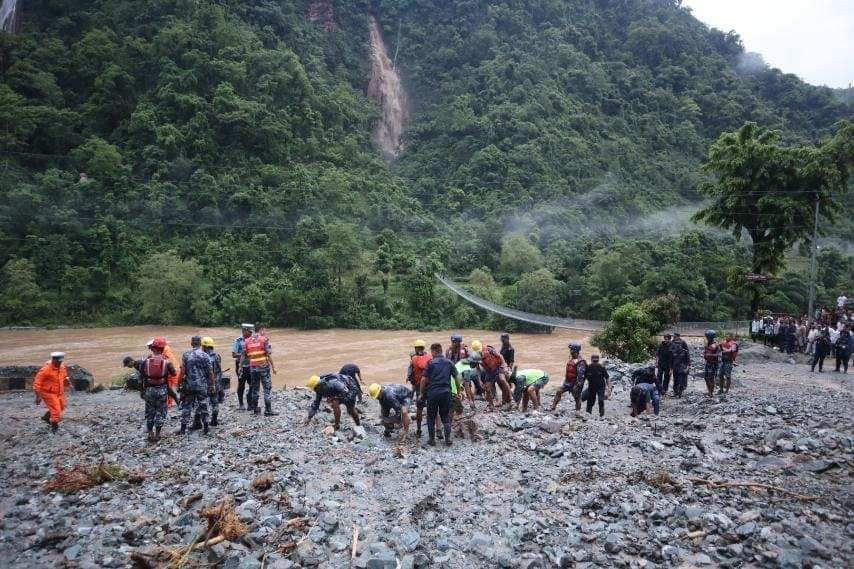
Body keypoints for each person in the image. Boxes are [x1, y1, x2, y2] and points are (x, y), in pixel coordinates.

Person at [123, 339, 179, 442]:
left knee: (150, 412)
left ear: (153, 349)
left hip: (149, 391)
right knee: (161, 412)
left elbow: (140, 379)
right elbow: (174, 374)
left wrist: (142, 392)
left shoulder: (145, 362)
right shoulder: (167, 362)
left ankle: (150, 433)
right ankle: (157, 434)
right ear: (162, 349)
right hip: (162, 391)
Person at [418, 343, 459, 446]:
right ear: (441, 350)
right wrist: (458, 391)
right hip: (446, 393)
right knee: (445, 416)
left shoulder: (430, 363)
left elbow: (423, 379)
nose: (431, 354)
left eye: (432, 352)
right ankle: (448, 439)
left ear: (434, 351)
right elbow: (457, 378)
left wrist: (421, 393)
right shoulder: (449, 362)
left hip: (433, 393)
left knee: (431, 416)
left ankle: (432, 440)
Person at [179, 338, 216, 435]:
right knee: (204, 405)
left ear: (191, 343)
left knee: (186, 407)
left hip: (189, 385)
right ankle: (206, 429)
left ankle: (183, 429)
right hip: (202, 385)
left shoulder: (186, 354)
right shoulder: (205, 355)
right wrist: (212, 385)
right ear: (200, 344)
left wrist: (179, 384)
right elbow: (210, 372)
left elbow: (182, 372)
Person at [33, 352, 73, 433]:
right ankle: (54, 427)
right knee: (56, 411)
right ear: (53, 360)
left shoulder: (62, 367)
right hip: (48, 393)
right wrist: (38, 396)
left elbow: (65, 376)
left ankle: (46, 417)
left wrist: (68, 382)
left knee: (62, 407)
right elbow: (37, 384)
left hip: (59, 391)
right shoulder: (45, 370)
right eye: (58, 362)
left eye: (61, 362)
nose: (59, 363)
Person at [244, 327, 278, 416]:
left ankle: (255, 410)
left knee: (255, 390)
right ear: (261, 330)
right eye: (264, 330)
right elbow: (269, 353)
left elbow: (247, 355)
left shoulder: (247, 341)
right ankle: (268, 411)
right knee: (266, 389)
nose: (265, 332)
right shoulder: (264, 339)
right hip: (263, 368)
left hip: (253, 369)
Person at [407, 339, 432, 437]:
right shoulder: (430, 357)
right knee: (432, 408)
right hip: (430, 386)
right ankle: (435, 429)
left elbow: (410, 374)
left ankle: (419, 429)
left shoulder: (414, 359)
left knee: (419, 409)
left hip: (419, 387)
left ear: (416, 348)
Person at [551, 342, 586, 411]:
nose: (570, 351)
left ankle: (577, 412)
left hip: (575, 383)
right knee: (559, 391)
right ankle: (553, 407)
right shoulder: (572, 358)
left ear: (575, 350)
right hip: (568, 382)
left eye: (571, 349)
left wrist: (577, 385)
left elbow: (581, 375)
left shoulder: (581, 362)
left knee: (577, 398)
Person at [480, 343, 512, 410]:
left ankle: (510, 400)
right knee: (487, 387)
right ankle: (491, 405)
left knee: (502, 380)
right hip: (490, 370)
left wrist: (505, 366)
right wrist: (480, 380)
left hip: (499, 366)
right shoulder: (474, 357)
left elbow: (500, 356)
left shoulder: (489, 349)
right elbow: (477, 369)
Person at [201, 337, 224, 426]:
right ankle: (214, 420)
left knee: (203, 403)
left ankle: (204, 422)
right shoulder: (217, 356)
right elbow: (219, 370)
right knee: (215, 402)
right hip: (215, 384)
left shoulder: (203, 357)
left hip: (205, 384)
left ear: (205, 347)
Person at [232, 324, 254, 410]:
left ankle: (249, 402)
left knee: (252, 384)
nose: (251, 333)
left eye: (251, 331)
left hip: (251, 366)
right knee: (241, 385)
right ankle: (241, 404)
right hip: (240, 366)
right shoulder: (238, 341)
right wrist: (243, 355)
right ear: (244, 331)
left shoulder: (253, 340)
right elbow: (233, 355)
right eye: (249, 331)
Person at [670, 333, 690, 397]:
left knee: (681, 379)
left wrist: (687, 367)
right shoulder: (673, 351)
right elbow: (671, 359)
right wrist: (671, 368)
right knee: (675, 380)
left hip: (682, 366)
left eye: (679, 345)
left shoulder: (684, 350)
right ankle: (675, 392)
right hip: (675, 366)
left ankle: (680, 391)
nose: (677, 346)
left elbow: (688, 359)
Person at [702, 330, 721, 397]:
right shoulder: (708, 344)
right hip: (708, 363)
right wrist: (705, 353)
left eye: (707, 337)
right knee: (706, 377)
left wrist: (710, 355)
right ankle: (709, 391)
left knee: (711, 378)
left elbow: (718, 354)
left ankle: (711, 393)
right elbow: (705, 352)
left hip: (713, 364)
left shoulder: (715, 344)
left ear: (710, 337)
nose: (706, 338)